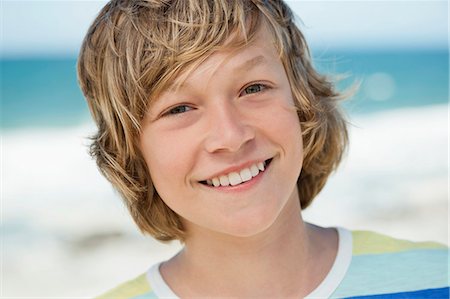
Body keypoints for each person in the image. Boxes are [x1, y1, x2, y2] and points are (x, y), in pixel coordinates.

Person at [77, 0, 448, 298]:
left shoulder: (436, 277)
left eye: (253, 88)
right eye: (179, 109)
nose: (231, 136)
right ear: (131, 154)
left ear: (303, 102)